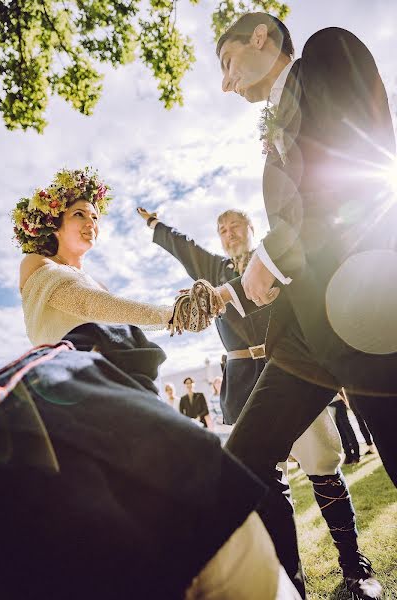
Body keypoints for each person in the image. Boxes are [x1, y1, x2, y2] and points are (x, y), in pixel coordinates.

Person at [0, 167, 302, 599]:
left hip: (115, 393)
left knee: (184, 511)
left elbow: (110, 315)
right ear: (54, 222)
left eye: (95, 218)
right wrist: (171, 314)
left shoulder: (89, 274)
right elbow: (96, 305)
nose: (91, 224)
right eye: (80, 215)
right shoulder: (36, 266)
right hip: (73, 400)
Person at [207, 12, 397, 599]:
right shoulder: (275, 129)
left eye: (228, 63)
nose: (226, 83)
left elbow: (351, 174)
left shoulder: (326, 52)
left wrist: (273, 252)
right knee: (236, 466)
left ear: (262, 37)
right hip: (307, 330)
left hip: (366, 309)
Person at [138, 205, 378, 593]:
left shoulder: (278, 259)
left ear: (251, 227)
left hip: (294, 374)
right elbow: (181, 245)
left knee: (321, 466)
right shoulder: (214, 269)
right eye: (222, 228)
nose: (229, 232)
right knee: (260, 478)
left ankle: (354, 566)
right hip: (244, 386)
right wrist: (155, 224)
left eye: (235, 225)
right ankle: (292, 582)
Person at [207, 376, 232, 445]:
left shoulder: (228, 395)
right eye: (216, 383)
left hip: (228, 423)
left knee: (230, 441)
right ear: (214, 385)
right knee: (222, 443)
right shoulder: (211, 397)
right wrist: (217, 420)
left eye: (219, 382)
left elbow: (230, 408)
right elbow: (211, 410)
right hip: (218, 424)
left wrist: (227, 419)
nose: (218, 384)